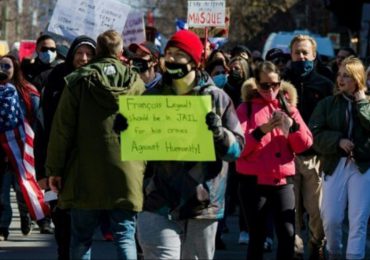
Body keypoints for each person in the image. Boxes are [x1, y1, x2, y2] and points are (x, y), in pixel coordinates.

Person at [133, 29, 245, 259]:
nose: (171, 59)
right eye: (168, 53)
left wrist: (218, 133)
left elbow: (237, 150)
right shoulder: (151, 97)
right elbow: (135, 151)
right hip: (157, 200)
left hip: (201, 204)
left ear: (194, 61)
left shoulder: (217, 98)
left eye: (179, 54)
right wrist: (126, 129)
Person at [45, 30, 146, 259]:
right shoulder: (136, 83)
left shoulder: (78, 81)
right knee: (125, 237)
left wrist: (54, 170)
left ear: (97, 51)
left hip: (84, 174)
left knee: (81, 238)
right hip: (127, 172)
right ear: (120, 51)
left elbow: (62, 130)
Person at [236, 61, 313, 260]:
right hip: (253, 182)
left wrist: (292, 128)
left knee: (288, 235)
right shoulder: (246, 108)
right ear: (256, 83)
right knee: (257, 238)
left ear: (280, 83)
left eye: (275, 85)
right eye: (264, 86)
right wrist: (262, 131)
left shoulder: (289, 107)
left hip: (282, 182)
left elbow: (304, 144)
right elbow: (238, 148)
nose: (270, 90)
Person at [34, 35, 96, 260]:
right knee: (61, 224)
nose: (84, 58)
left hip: (87, 168)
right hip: (55, 167)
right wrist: (42, 171)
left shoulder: (99, 80)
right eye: (79, 53)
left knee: (80, 231)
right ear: (71, 55)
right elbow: (42, 127)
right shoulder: (56, 78)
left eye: (89, 54)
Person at [309, 57, 370, 260]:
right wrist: (338, 141)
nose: (341, 79)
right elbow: (314, 135)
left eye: (347, 76)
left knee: (358, 219)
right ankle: (334, 252)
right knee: (332, 218)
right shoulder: (328, 104)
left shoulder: (367, 103)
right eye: (339, 74)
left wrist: (362, 103)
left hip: (362, 167)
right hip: (335, 164)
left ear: (358, 79)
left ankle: (355, 256)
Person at [283, 34, 333, 259]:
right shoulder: (281, 84)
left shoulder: (325, 85)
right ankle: (295, 249)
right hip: (286, 157)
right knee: (290, 211)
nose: (301, 57)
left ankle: (317, 244)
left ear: (314, 55)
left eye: (305, 53)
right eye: (297, 53)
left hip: (315, 158)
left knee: (317, 211)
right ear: (291, 55)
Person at [0, 54, 40, 240]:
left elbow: (38, 120)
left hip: (23, 151)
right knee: (2, 194)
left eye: (6, 66)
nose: (3, 70)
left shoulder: (28, 92)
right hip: (2, 153)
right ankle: (2, 227)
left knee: (21, 190)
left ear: (15, 68)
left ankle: (26, 216)